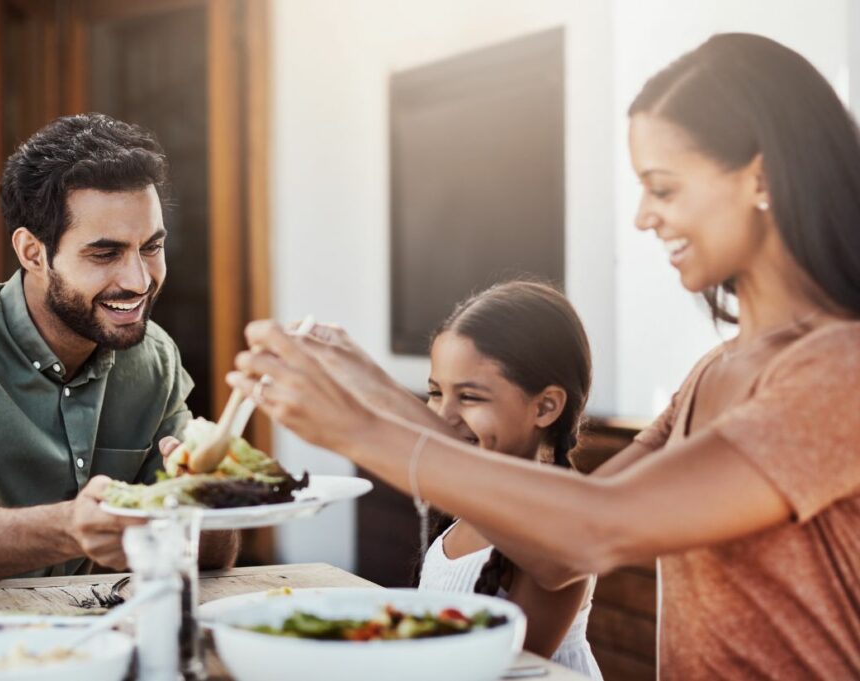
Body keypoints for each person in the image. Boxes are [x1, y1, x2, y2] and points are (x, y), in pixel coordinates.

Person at [227, 33, 860, 679]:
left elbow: (599, 527)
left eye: (663, 189)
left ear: (760, 177)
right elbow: (556, 547)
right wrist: (369, 388)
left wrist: (357, 427)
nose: (644, 217)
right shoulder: (714, 371)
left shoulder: (839, 371)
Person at [0, 113, 238, 587]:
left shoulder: (152, 356)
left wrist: (214, 489)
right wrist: (73, 528)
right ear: (33, 253)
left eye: (151, 247)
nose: (139, 281)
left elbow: (210, 556)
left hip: (71, 641)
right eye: (104, 253)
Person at [414, 280, 602, 678]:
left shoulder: (556, 528)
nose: (441, 417)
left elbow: (500, 671)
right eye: (435, 392)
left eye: (469, 397)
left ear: (546, 406)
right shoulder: (469, 504)